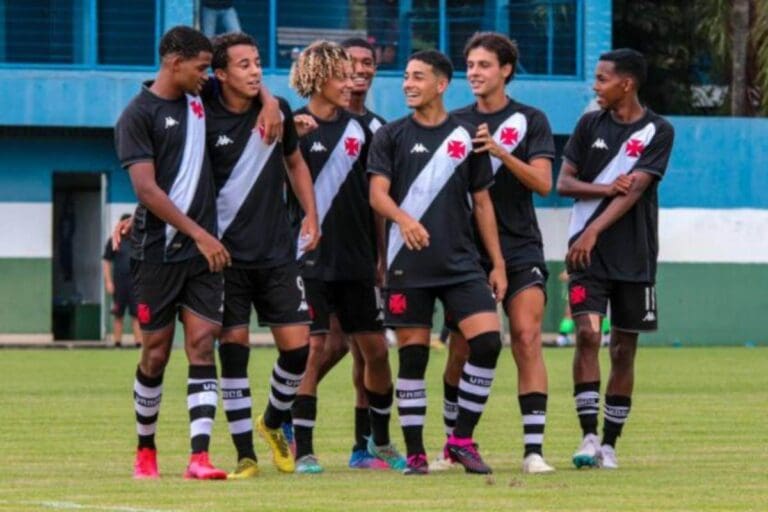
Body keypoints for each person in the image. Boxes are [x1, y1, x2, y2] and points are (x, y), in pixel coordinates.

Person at [368, 50, 508, 475]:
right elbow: (377, 195)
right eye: (406, 77)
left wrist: (497, 264)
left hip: (462, 263)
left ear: (441, 84)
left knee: (487, 343)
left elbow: (483, 203)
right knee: (412, 358)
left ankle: (461, 439)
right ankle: (415, 454)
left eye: (418, 77)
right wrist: (404, 219)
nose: (408, 84)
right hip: (406, 265)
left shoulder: (467, 136)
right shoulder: (390, 135)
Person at [434, 32, 556, 474]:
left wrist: (500, 151)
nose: (474, 73)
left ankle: (534, 451)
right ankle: (453, 444)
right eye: (469, 65)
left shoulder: (531, 119)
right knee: (462, 350)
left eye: (483, 65)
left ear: (505, 70)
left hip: (521, 246)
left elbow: (544, 183)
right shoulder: (453, 121)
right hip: (467, 253)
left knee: (525, 336)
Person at [114, 25, 229, 480]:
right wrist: (200, 233)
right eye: (201, 67)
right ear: (173, 62)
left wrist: (273, 106)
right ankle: (146, 448)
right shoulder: (136, 115)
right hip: (156, 254)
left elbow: (249, 86)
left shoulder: (203, 98)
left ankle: (199, 457)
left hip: (203, 257)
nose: (208, 75)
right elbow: (146, 189)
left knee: (202, 344)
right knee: (156, 353)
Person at [205, 32, 319, 478]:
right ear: (220, 75)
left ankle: (272, 422)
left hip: (276, 253)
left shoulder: (278, 111)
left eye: (258, 63)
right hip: (225, 258)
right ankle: (244, 455)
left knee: (297, 351)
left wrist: (310, 214)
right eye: (244, 65)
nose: (255, 71)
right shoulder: (202, 116)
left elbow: (294, 162)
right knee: (233, 350)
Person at [287, 40, 403, 474]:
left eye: (358, 69)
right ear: (320, 77)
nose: (351, 78)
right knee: (313, 350)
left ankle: (373, 445)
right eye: (341, 72)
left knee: (375, 352)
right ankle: (305, 450)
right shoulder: (292, 127)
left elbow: (377, 199)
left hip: (357, 260)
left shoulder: (371, 130)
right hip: (307, 259)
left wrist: (381, 255)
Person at [556, 48, 674, 469]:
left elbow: (636, 189)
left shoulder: (658, 131)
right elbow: (564, 182)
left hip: (636, 257)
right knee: (588, 335)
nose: (595, 85)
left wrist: (595, 228)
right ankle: (587, 437)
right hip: (584, 255)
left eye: (602, 78)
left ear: (627, 83)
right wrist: (602, 192)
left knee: (623, 350)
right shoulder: (589, 125)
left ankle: (609, 443)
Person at [103, 213, 142, 348]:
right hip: (119, 283)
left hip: (135, 283)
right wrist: (108, 281)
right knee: (118, 313)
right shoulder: (114, 241)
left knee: (137, 314)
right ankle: (117, 342)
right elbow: (106, 261)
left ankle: (139, 342)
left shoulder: (138, 241)